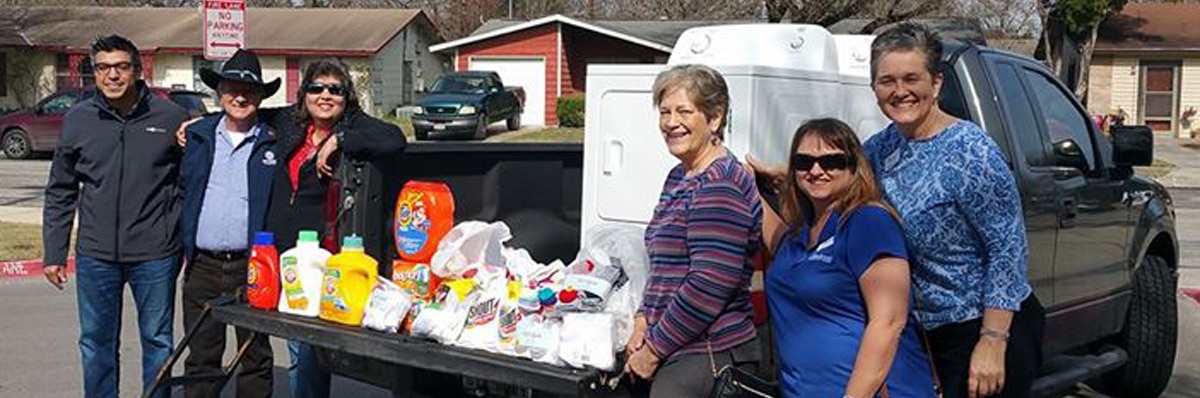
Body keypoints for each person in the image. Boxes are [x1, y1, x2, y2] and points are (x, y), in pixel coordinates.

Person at [863, 22, 1045, 398]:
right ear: (874, 88)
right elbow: (839, 181)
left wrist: (993, 341)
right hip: (926, 332)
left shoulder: (971, 152)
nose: (900, 92)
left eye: (912, 78)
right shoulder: (880, 150)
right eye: (887, 81)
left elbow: (1008, 248)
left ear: (937, 83)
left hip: (984, 327)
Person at [42, 35, 189, 398]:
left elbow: (188, 184)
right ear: (93, 73)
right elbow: (61, 189)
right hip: (96, 254)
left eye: (121, 67)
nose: (112, 76)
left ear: (137, 71)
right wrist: (54, 252)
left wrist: (179, 237)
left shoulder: (170, 117)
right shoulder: (77, 119)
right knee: (96, 343)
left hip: (155, 254)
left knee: (158, 342)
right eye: (103, 68)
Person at [757, 118, 935, 398]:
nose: (816, 170)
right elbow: (763, 220)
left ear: (854, 167)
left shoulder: (869, 222)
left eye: (831, 161)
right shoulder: (798, 235)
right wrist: (733, 171)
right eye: (804, 161)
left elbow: (889, 322)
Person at [263, 58, 406, 398]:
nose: (325, 96)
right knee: (294, 337)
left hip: (322, 252)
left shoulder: (355, 125)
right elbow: (244, 113)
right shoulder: (289, 123)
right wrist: (194, 124)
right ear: (305, 93)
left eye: (335, 90)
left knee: (310, 345)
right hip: (283, 247)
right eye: (317, 88)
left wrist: (341, 138)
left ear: (346, 96)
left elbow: (395, 138)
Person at [624, 64, 762, 398]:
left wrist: (654, 349)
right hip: (675, 343)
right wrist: (643, 319)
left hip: (709, 351)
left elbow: (709, 283)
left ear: (715, 119)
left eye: (684, 111)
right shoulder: (678, 177)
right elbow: (664, 271)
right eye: (665, 111)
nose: (671, 122)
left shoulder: (720, 185)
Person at [179, 49, 279, 398]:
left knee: (255, 357)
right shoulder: (197, 136)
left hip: (254, 267)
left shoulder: (274, 140)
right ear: (219, 92)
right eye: (232, 87)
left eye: (249, 91)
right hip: (203, 266)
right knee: (202, 356)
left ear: (261, 97)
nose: (240, 96)